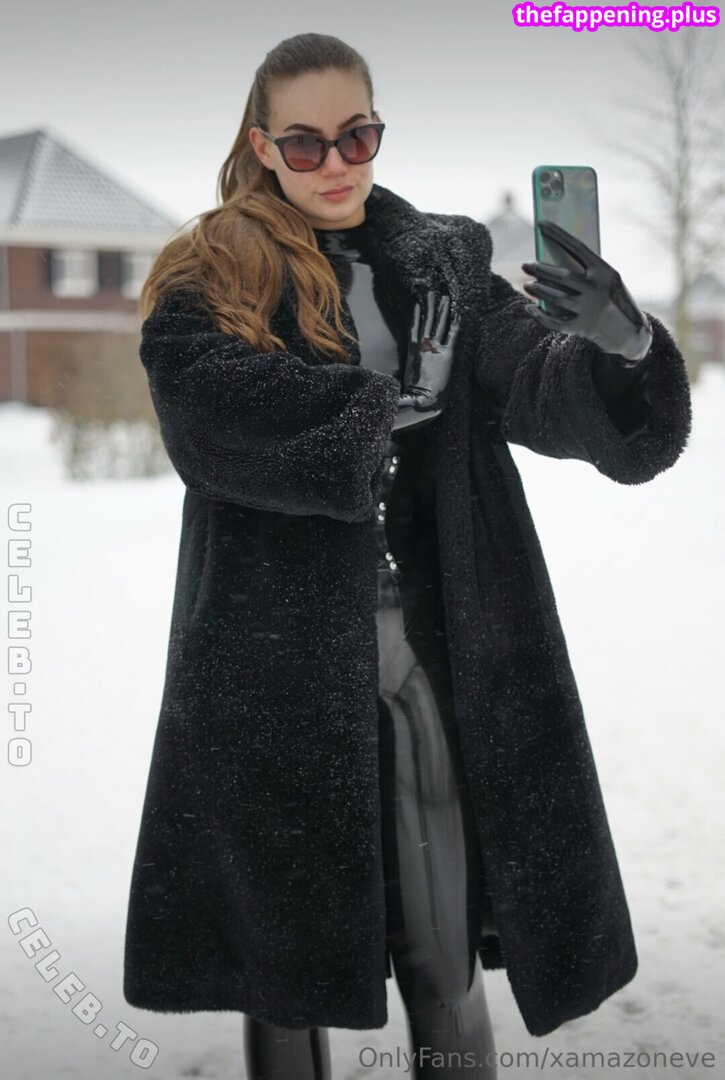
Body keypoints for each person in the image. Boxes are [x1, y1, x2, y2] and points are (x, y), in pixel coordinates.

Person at [123, 32, 692, 1080]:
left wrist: (621, 347)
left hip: (434, 644)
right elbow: (209, 418)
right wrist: (392, 401)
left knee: (443, 956)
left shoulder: (444, 263)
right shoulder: (212, 277)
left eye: (358, 135)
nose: (336, 163)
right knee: (282, 977)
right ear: (262, 145)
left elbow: (537, 385)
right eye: (305, 144)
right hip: (268, 666)